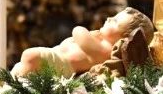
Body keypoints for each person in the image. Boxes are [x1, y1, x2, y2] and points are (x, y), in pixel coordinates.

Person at [11, 7, 154, 77]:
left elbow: (79, 33)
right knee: (19, 67)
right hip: (57, 58)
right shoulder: (101, 40)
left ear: (124, 38)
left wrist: (86, 31)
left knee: (31, 55)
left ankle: (18, 89)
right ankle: (10, 86)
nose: (109, 18)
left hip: (63, 66)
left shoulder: (107, 50)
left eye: (115, 21)